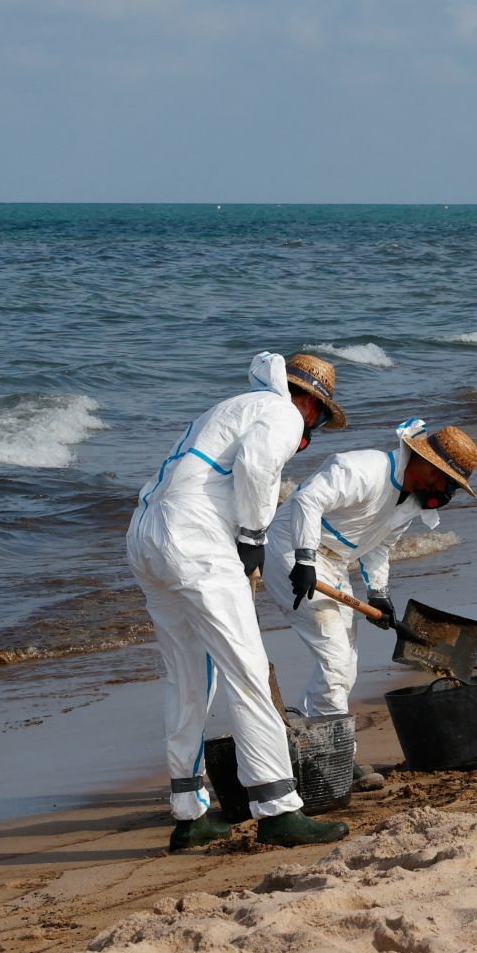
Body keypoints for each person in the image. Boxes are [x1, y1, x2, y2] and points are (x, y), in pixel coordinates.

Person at [125, 351, 350, 852]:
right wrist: (252, 536)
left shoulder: (231, 406)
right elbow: (257, 464)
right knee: (245, 672)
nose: (312, 426)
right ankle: (279, 809)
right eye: (318, 415)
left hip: (146, 534)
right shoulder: (284, 413)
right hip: (195, 539)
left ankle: (189, 814)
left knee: (187, 677)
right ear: (310, 403)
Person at [261, 420, 477, 789]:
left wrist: (379, 592)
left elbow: (380, 546)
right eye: (448, 483)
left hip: (333, 563)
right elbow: (307, 500)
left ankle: (320, 743)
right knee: (334, 659)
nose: (447, 492)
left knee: (345, 663)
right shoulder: (363, 469)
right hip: (291, 549)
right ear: (428, 466)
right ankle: (337, 756)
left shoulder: (409, 502)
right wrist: (305, 559)